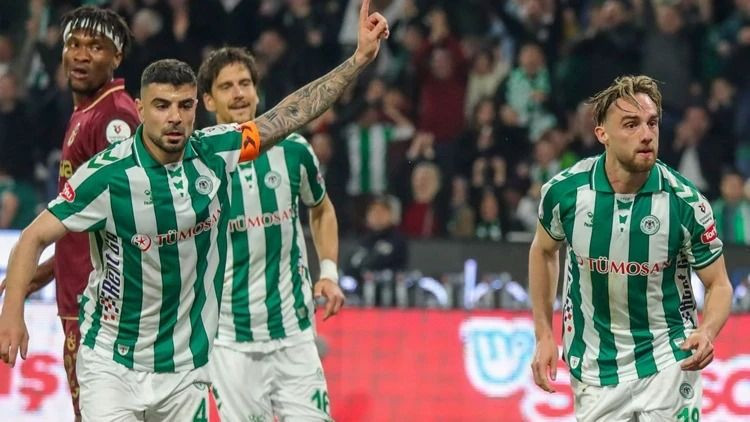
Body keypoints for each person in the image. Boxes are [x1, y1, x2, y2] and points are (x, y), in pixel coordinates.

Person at [0, 0, 388, 419]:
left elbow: (290, 114)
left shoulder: (216, 151)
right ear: (140, 109)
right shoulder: (107, 175)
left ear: (196, 109)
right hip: (112, 364)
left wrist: (358, 60)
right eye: (162, 106)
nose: (174, 118)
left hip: (185, 370)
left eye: (184, 106)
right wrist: (12, 313)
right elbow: (32, 236)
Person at [528, 75, 733, 421]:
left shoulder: (686, 203)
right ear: (602, 134)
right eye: (631, 124)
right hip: (595, 366)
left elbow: (720, 284)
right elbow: (543, 251)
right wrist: (543, 334)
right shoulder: (565, 193)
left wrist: (707, 330)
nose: (646, 134)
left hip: (669, 358)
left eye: (652, 123)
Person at [0, 7, 140, 421]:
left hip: (101, 305)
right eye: (73, 45)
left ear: (116, 57)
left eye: (95, 47)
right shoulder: (89, 110)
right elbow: (85, 217)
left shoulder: (113, 117)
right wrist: (47, 270)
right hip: (80, 292)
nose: (80, 55)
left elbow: (126, 217)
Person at [197, 46, 344, 421]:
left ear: (257, 90)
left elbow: (321, 208)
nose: (239, 93)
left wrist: (328, 272)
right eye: (227, 86)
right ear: (209, 100)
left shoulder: (293, 150)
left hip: (294, 333)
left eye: (245, 83)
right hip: (229, 341)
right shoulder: (196, 163)